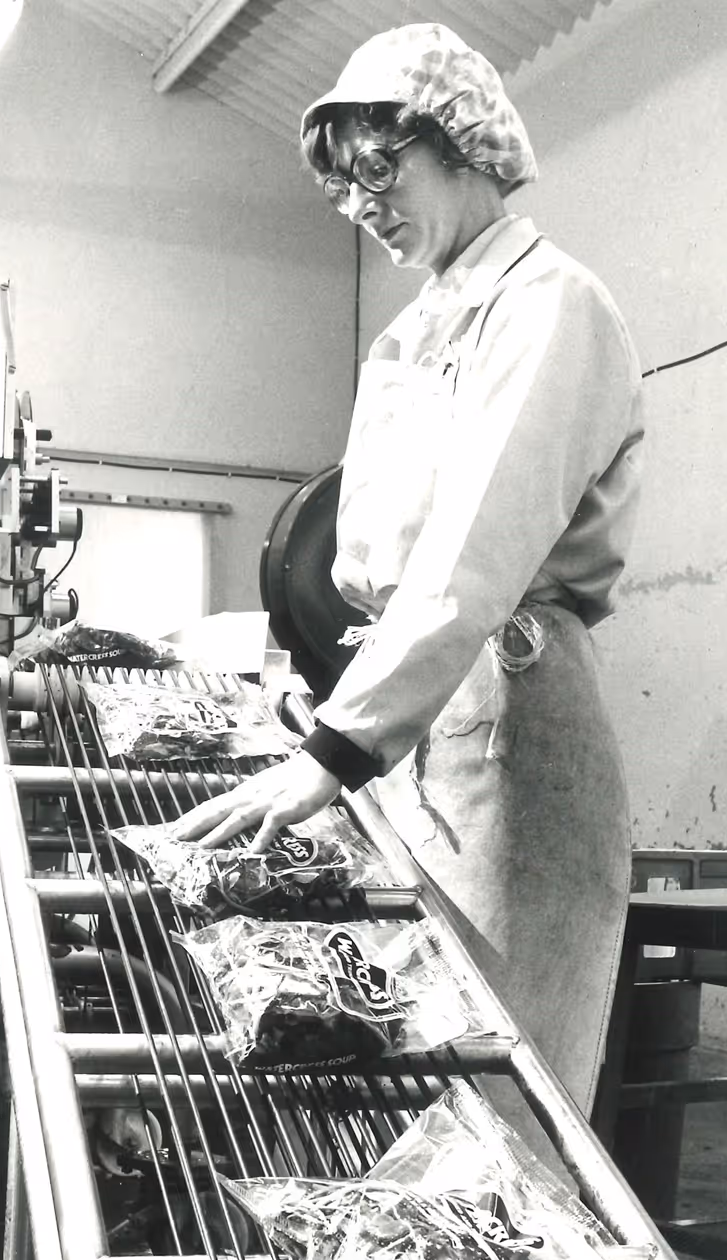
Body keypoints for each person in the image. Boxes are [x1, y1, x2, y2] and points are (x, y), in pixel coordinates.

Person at [174, 22, 644, 1116]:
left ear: (465, 142)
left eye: (381, 167)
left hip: (509, 715)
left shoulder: (546, 305)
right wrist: (334, 708)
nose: (361, 203)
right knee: (414, 1077)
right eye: (342, 185)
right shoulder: (427, 322)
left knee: (502, 1087)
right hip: (414, 712)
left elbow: (472, 554)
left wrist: (334, 749)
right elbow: (374, 554)